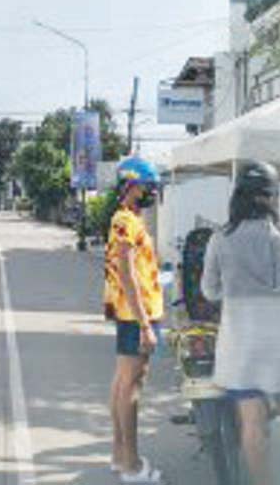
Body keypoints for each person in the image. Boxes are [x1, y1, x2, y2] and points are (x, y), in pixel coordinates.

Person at [201, 160, 280, 485]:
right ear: (274, 196)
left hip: (245, 347)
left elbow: (209, 291)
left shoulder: (221, 239)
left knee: (252, 422)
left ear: (237, 196)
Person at [103, 156, 166, 484]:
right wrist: (144, 323)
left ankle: (119, 455)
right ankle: (131, 465)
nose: (151, 192)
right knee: (132, 386)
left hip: (133, 312)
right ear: (130, 186)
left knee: (121, 383)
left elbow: (136, 269)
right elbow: (127, 272)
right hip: (135, 315)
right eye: (146, 186)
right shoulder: (125, 220)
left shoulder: (127, 219)